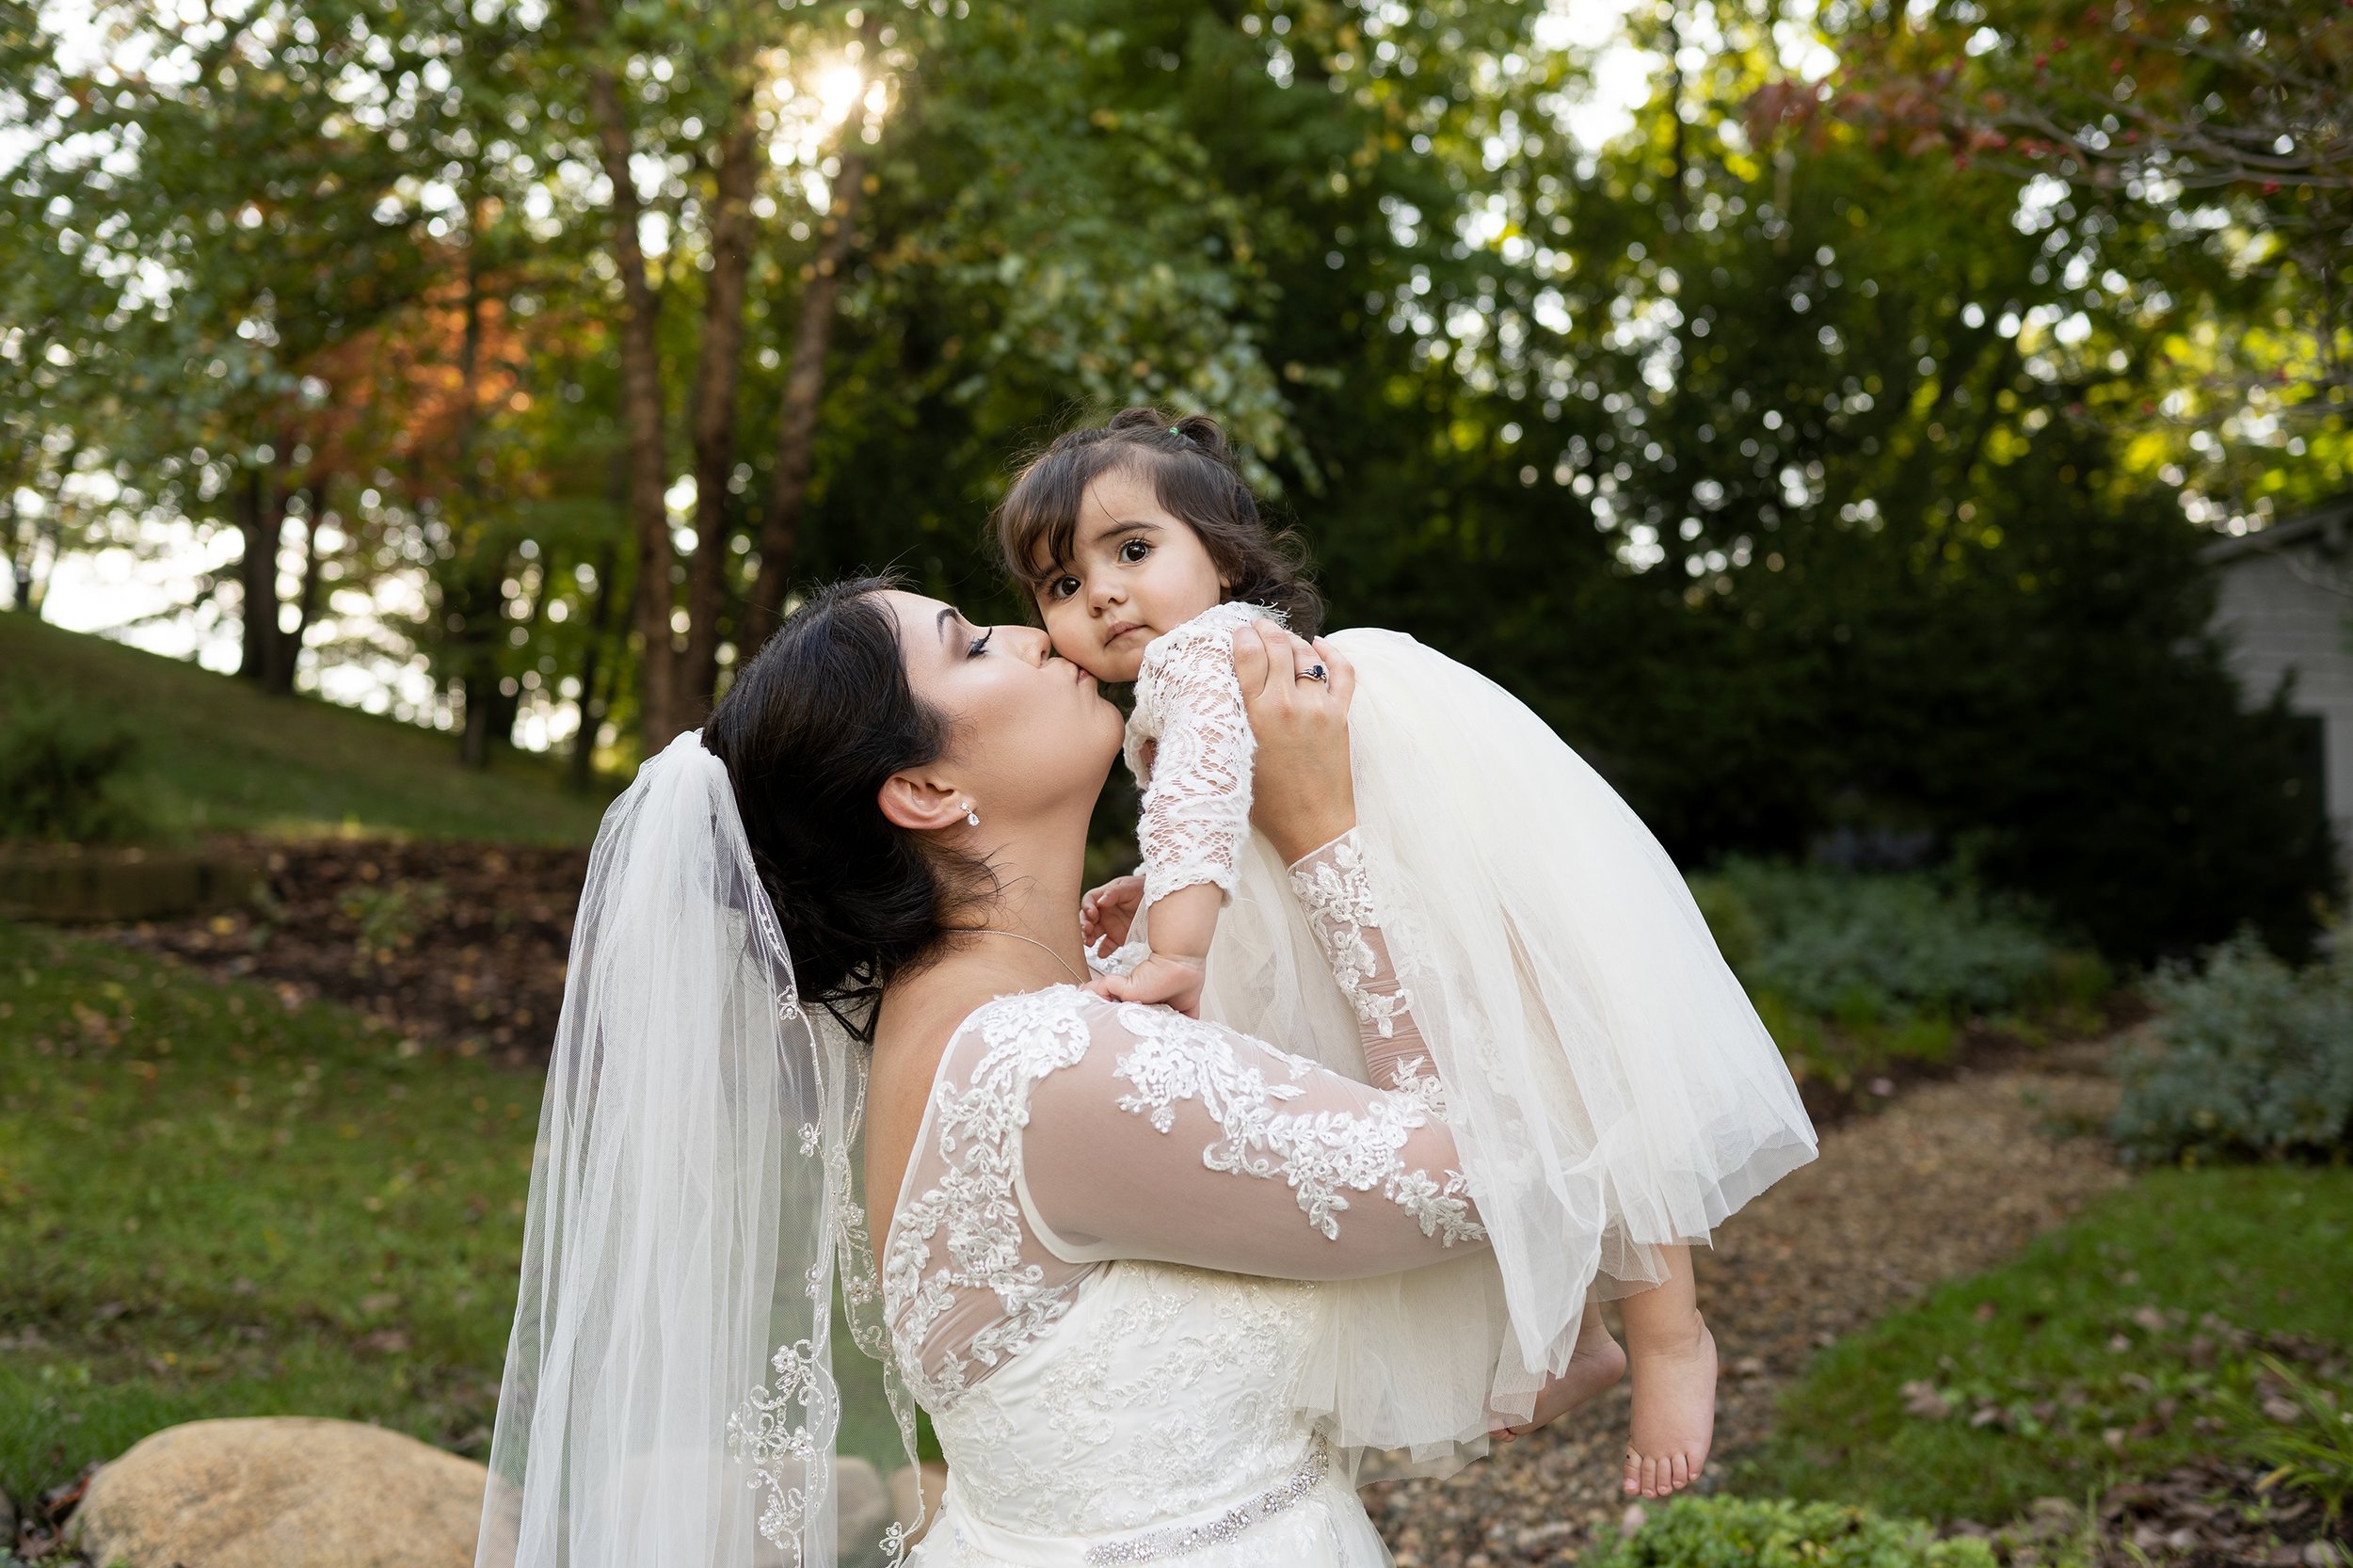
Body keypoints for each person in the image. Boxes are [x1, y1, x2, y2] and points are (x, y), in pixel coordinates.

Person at [476, 577, 1604, 1568]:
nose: (1038, 635)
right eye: (971, 644)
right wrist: (1321, 831)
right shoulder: (1041, 1066)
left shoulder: (1020, 1010)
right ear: (922, 792)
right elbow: (1492, 1173)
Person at [992, 408, 1820, 1499]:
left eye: (1131, 551)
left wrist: (1176, 950)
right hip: (1393, 883)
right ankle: (1569, 1328)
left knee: (1550, 1084)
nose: (1097, 594)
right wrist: (1155, 890)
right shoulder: (1209, 676)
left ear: (1223, 559)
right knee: (1511, 1088)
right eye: (1060, 585)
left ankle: (1671, 1339)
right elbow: (1220, 823)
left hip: (1424, 877)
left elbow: (1198, 809)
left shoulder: (1201, 656)